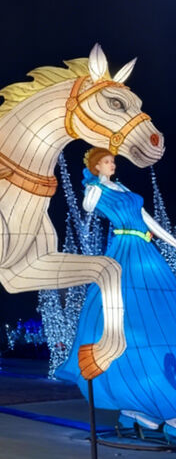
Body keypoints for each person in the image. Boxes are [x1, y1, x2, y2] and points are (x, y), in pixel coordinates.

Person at [56, 147, 176, 438]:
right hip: (124, 249)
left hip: (146, 251)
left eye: (112, 161)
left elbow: (145, 219)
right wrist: (94, 185)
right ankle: (141, 403)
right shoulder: (97, 189)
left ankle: (149, 406)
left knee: (160, 309)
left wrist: (173, 242)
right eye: (107, 162)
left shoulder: (123, 188)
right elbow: (87, 207)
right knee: (128, 311)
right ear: (97, 165)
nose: (112, 165)